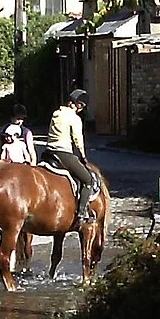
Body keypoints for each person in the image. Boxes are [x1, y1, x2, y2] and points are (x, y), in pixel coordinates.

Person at [46, 88, 97, 226]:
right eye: (82, 106)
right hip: (63, 154)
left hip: (48, 153)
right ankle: (81, 213)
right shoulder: (74, 118)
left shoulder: (56, 113)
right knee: (88, 180)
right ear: (78, 104)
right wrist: (83, 157)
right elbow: (77, 140)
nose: (81, 110)